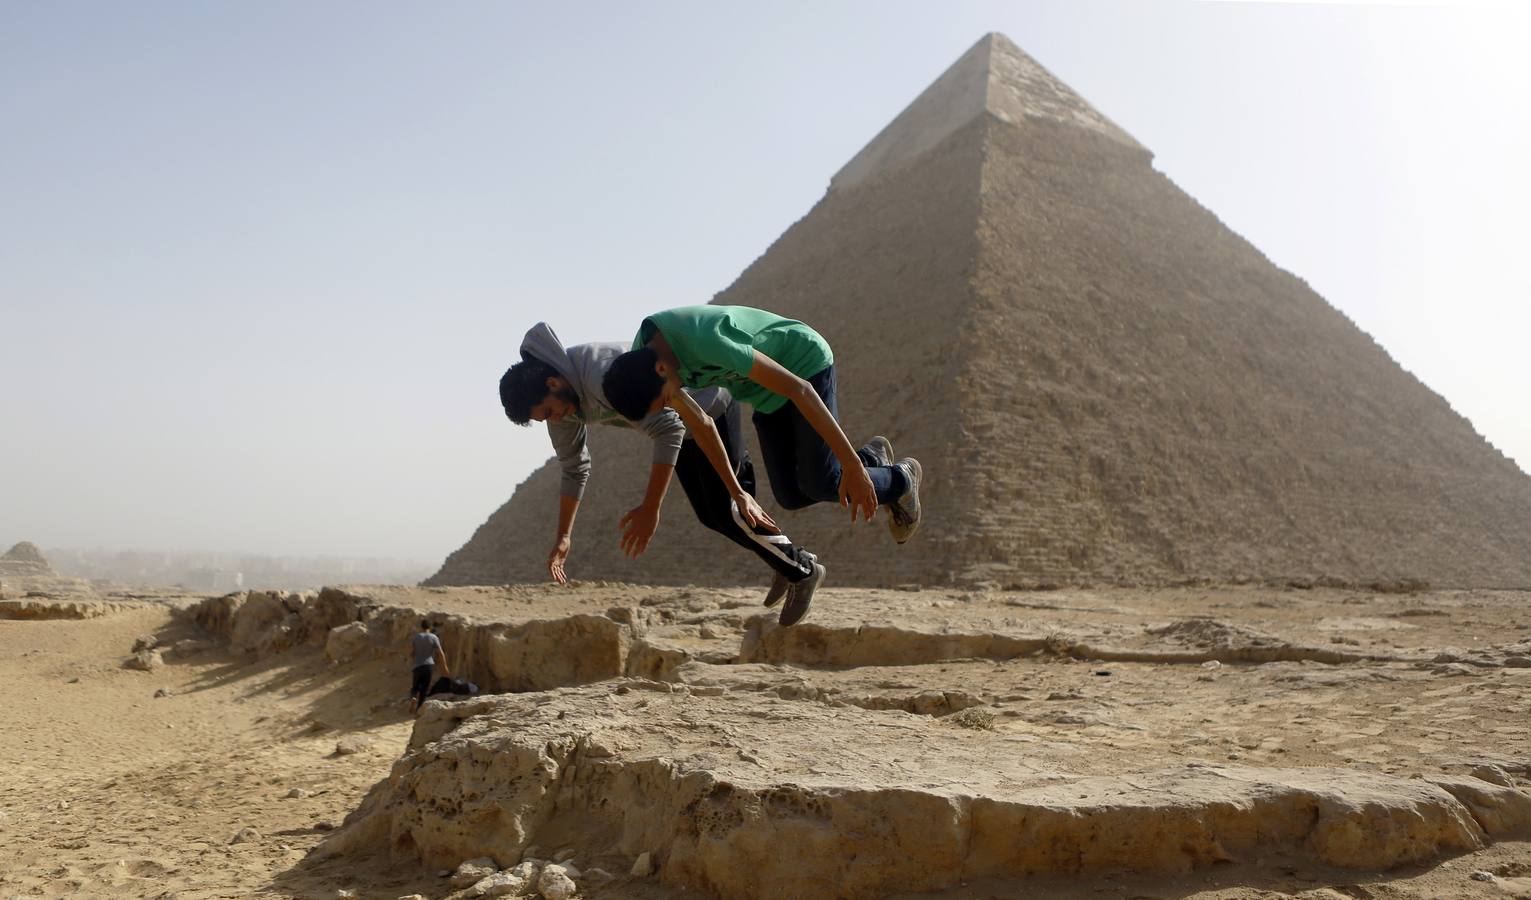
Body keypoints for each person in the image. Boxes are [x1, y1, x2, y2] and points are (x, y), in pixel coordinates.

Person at [601, 305, 923, 625]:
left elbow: (800, 388)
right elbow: (700, 424)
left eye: (664, 402)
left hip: (802, 366)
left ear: (660, 370)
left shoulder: (704, 340)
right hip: (764, 394)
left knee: (822, 482)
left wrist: (852, 465)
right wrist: (737, 492)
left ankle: (901, 479)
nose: (669, 407)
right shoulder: (643, 365)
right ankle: (873, 460)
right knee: (790, 496)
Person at [500, 323, 821, 608]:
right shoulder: (563, 407)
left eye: (548, 412)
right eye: (544, 419)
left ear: (554, 383)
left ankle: (801, 570)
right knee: (712, 515)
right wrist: (564, 536)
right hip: (678, 424)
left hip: (708, 408)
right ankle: (783, 560)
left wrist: (651, 508)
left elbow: (670, 430)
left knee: (726, 509)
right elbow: (573, 468)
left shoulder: (599, 376)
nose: (553, 419)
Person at [408, 620, 450, 715]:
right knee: (424, 689)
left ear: (421, 627)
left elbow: (412, 653)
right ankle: (419, 710)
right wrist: (445, 667)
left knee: (415, 687)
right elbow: (440, 653)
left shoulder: (416, 637)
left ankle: (413, 697)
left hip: (417, 666)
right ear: (430, 627)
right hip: (429, 666)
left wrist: (413, 662)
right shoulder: (434, 637)